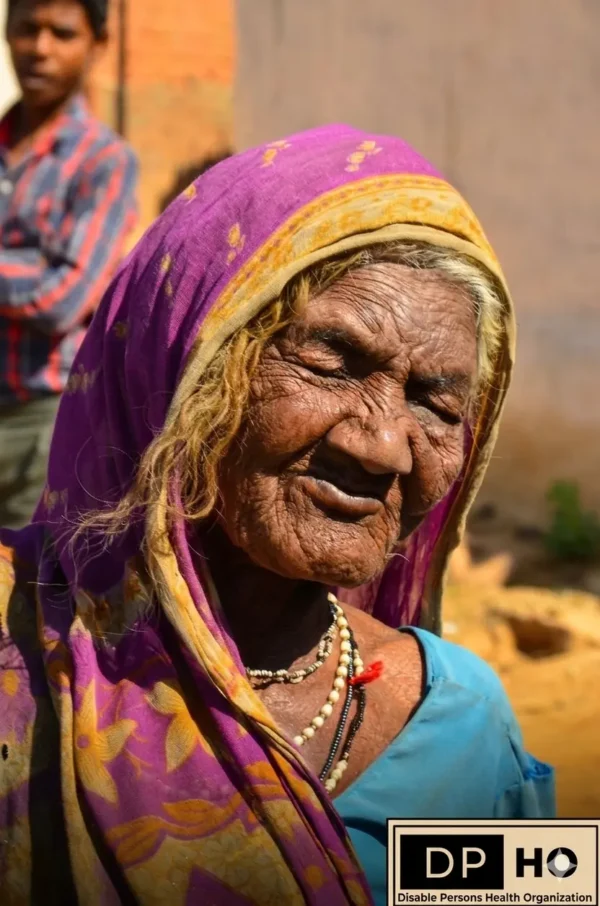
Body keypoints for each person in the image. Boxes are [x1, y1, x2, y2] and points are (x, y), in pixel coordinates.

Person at [0, 126, 554, 906]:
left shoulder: (463, 720)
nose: (385, 447)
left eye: (437, 403)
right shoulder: (21, 654)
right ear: (186, 362)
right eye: (330, 362)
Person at [0, 0, 138, 528]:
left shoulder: (105, 161)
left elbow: (63, 299)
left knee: (21, 589)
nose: (40, 48)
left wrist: (38, 277)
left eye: (61, 33)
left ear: (97, 45)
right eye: (27, 29)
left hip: (43, 421)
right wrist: (28, 265)